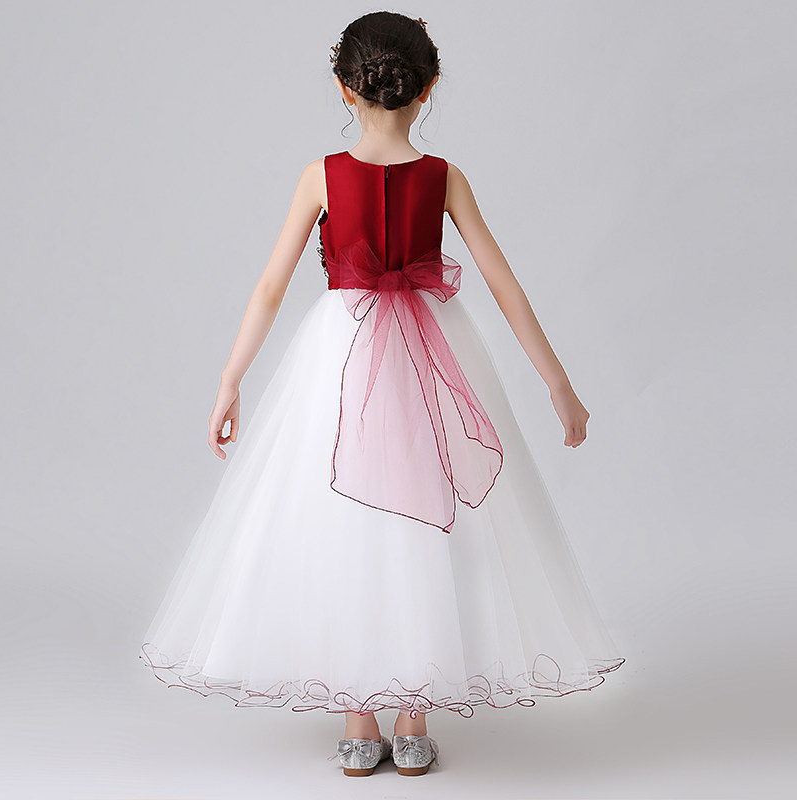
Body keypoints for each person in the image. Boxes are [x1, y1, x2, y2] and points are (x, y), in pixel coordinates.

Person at [139, 10, 625, 778]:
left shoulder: (321, 176)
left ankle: (359, 716)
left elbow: (270, 288)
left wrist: (231, 379)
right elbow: (503, 284)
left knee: (344, 519)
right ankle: (412, 714)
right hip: (432, 350)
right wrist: (558, 384)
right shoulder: (446, 176)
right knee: (427, 521)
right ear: (428, 88)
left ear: (344, 88)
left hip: (342, 348)